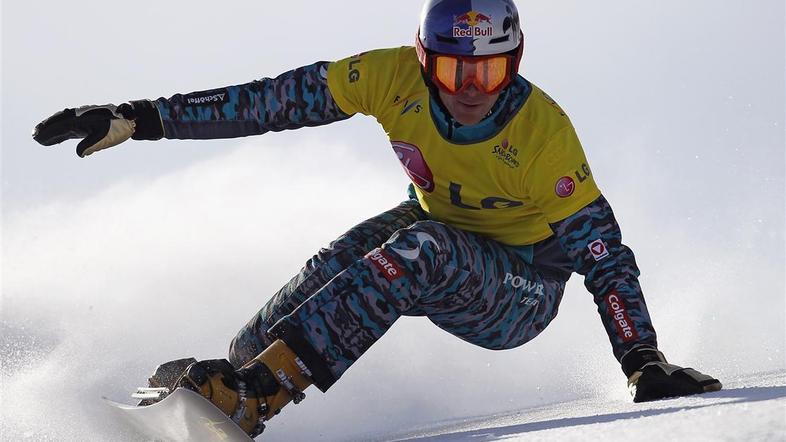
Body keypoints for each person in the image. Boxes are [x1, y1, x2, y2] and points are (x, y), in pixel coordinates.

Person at [33, 0, 722, 438]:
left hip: (520, 289)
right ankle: (229, 384)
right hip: (436, 229)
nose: (474, 93)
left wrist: (642, 360)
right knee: (338, 260)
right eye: (456, 74)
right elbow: (275, 101)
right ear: (425, 62)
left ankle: (257, 400)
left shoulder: (543, 135)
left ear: (515, 63)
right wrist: (142, 118)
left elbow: (601, 253)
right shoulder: (388, 76)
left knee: (416, 248)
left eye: (492, 73)